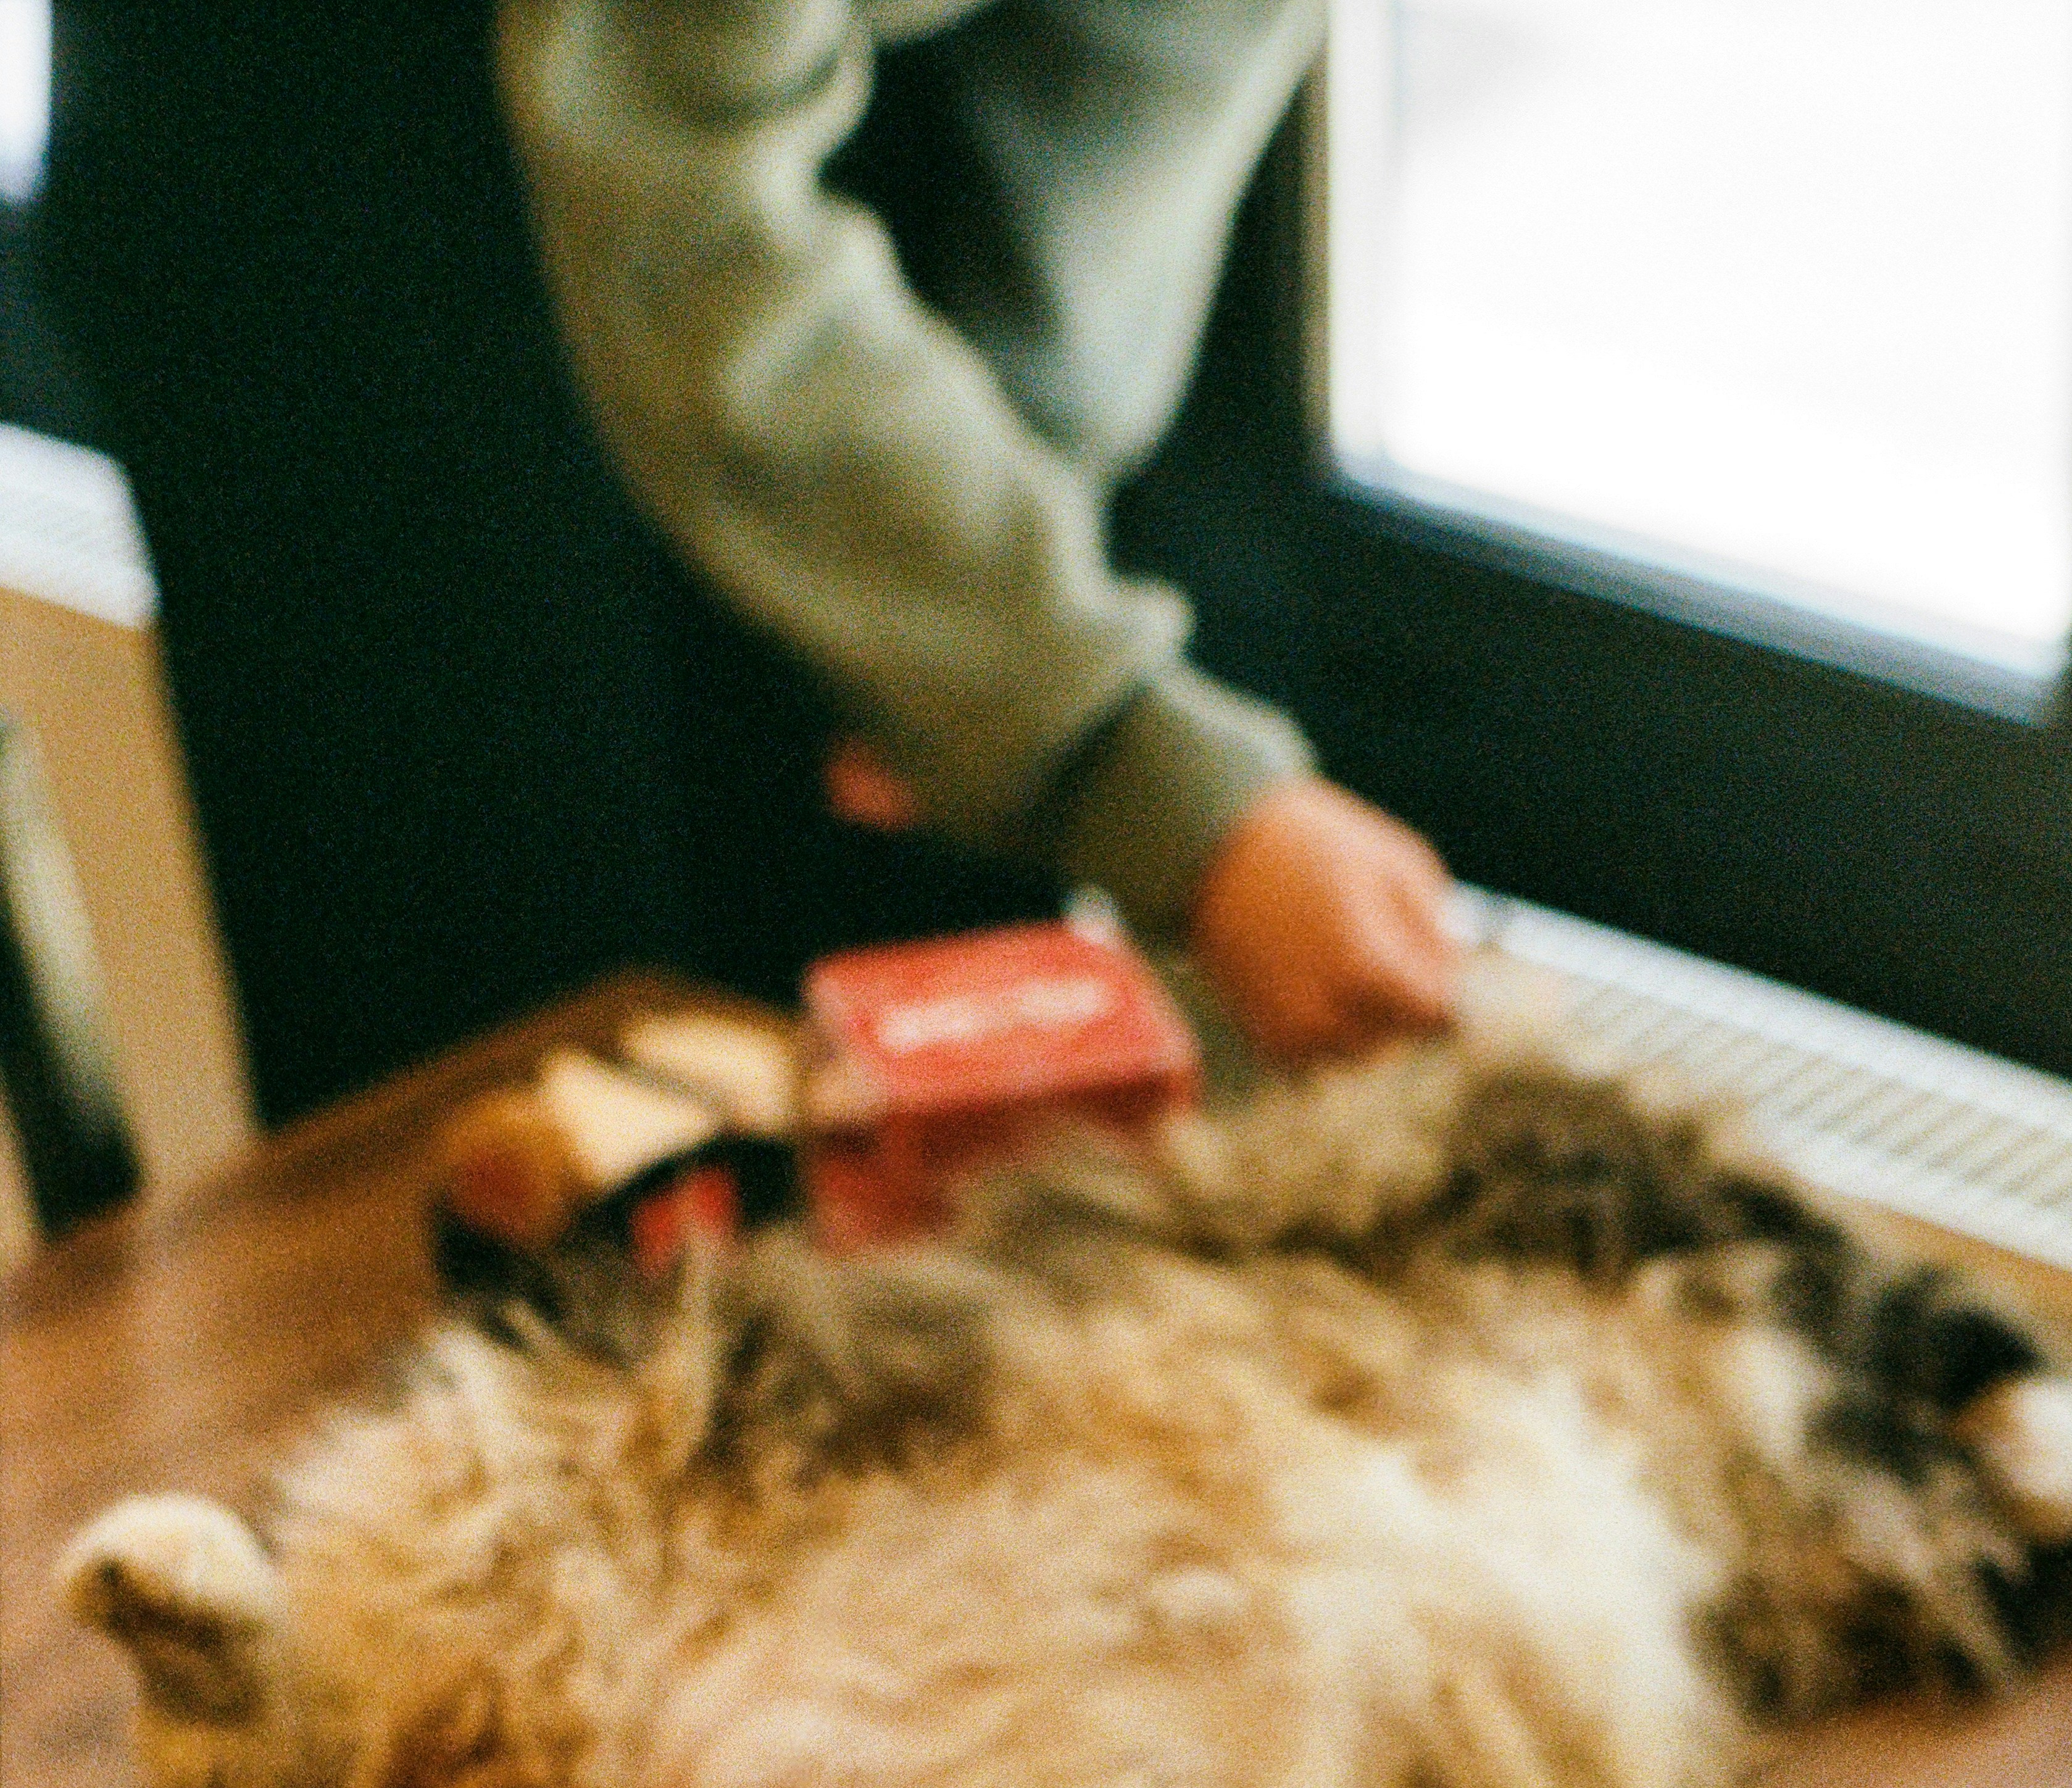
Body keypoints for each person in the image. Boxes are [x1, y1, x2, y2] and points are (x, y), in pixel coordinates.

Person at [36, 0, 1455, 1119]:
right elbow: (675, 187)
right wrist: (1112, 752)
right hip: (328, 154)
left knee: (906, 1110)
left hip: (774, 116)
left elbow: (1136, 76)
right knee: (520, 1109)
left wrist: (962, 641)